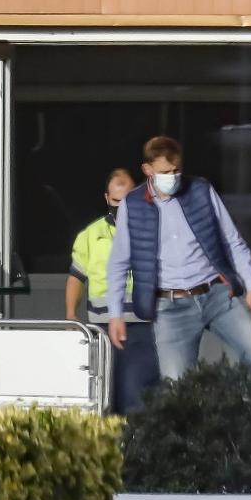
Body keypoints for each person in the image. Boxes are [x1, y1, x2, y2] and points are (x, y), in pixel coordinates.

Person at [105, 136, 251, 379]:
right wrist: (115, 314)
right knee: (176, 385)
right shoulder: (133, 205)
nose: (172, 177)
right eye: (165, 171)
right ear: (147, 169)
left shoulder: (201, 190)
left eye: (176, 170)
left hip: (216, 295)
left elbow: (233, 241)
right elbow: (118, 263)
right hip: (170, 308)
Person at [66, 168, 160, 413]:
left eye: (128, 199)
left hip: (141, 326)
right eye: (117, 201)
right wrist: (70, 315)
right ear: (107, 199)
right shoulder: (90, 235)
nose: (122, 206)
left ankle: (135, 449)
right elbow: (76, 277)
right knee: (103, 397)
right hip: (101, 328)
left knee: (136, 396)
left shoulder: (153, 229)